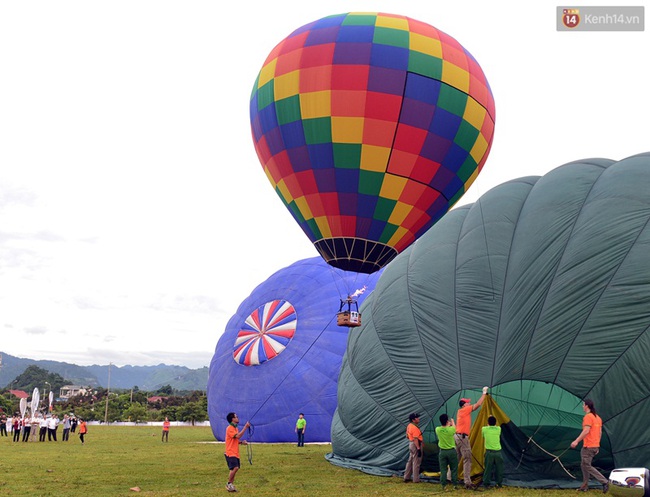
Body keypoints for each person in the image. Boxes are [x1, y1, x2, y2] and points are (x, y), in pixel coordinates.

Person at [570, 399, 609, 493]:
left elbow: (586, 431)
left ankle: (605, 482)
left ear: (587, 406)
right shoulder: (597, 418)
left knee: (586, 465)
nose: (582, 407)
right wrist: (597, 445)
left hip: (588, 446)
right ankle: (585, 485)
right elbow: (599, 432)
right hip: (594, 446)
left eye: (583, 405)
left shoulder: (588, 417)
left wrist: (576, 441)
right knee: (584, 465)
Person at [455, 386, 489, 489]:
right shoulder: (465, 410)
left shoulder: (460, 411)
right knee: (467, 459)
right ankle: (467, 482)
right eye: (468, 402)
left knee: (456, 458)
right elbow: (478, 404)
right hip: (463, 438)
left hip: (457, 437)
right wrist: (484, 393)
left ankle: (449, 477)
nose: (469, 403)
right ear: (464, 405)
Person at [224, 412, 251, 493]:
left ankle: (231, 485)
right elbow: (238, 436)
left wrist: (241, 442)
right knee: (235, 468)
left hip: (235, 452)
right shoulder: (230, 428)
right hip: (230, 452)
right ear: (232, 419)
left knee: (234, 469)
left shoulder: (235, 428)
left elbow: (235, 439)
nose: (237, 418)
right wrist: (245, 427)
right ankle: (229, 484)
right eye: (236, 417)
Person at [436, 413, 459, 490]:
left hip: (442, 452)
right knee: (454, 468)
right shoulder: (451, 429)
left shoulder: (438, 429)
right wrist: (452, 422)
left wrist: (448, 424)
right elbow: (455, 428)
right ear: (447, 421)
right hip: (451, 451)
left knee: (443, 469)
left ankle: (443, 485)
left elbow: (444, 428)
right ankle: (455, 484)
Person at [482, 416, 504, 488]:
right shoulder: (498, 429)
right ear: (495, 423)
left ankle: (486, 484)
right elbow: (496, 426)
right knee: (499, 469)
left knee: (488, 469)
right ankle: (499, 483)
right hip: (498, 453)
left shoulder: (484, 429)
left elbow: (483, 436)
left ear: (488, 423)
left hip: (489, 453)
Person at [403, 413, 423, 483]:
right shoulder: (414, 428)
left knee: (410, 461)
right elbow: (415, 439)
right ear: (413, 420)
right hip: (415, 444)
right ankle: (416, 479)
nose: (418, 419)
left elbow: (407, 436)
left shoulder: (409, 426)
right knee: (416, 462)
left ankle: (406, 476)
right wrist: (418, 448)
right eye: (417, 418)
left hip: (410, 444)